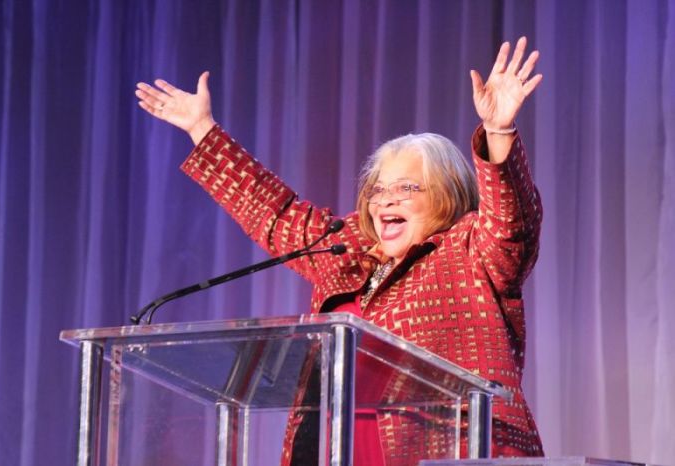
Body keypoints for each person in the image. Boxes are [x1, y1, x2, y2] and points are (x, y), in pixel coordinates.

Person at [136, 37, 544, 464]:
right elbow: (275, 213)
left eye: (406, 188)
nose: (386, 200)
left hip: (450, 452)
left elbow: (511, 220)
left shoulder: (471, 249)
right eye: (378, 190)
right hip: (337, 452)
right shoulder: (346, 249)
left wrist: (498, 132)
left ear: (448, 195)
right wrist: (202, 130)